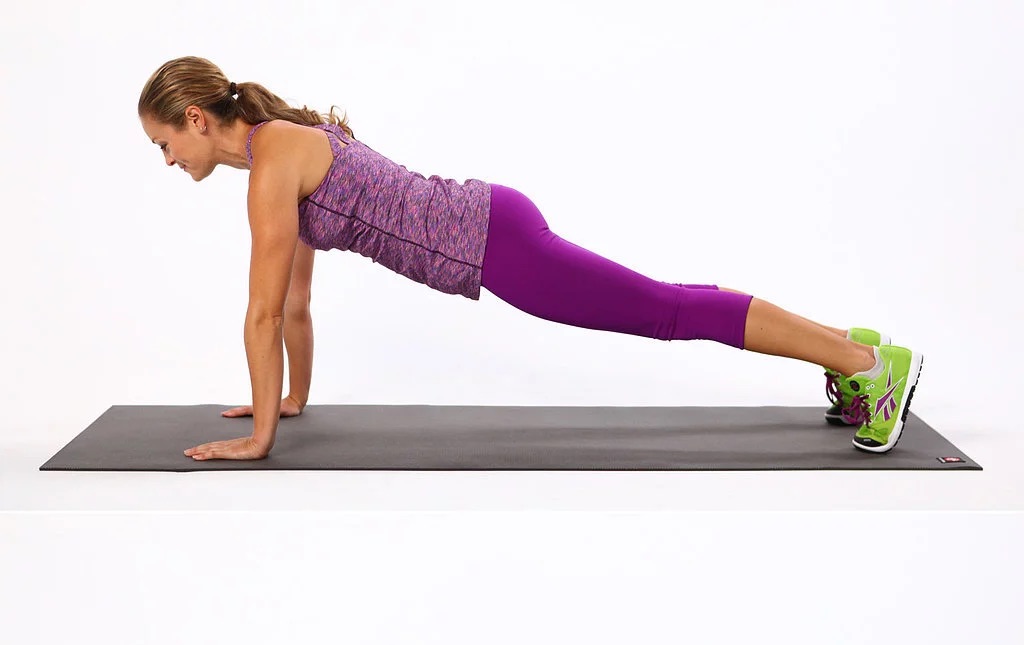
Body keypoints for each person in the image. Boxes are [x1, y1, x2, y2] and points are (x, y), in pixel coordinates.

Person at [137, 57, 923, 463]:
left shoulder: (275, 161)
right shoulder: (278, 155)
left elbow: (264, 311)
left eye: (164, 144)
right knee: (667, 302)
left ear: (197, 120)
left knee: (668, 311)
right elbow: (296, 304)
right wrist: (290, 403)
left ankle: (863, 361)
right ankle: (858, 352)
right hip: (494, 227)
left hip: (495, 245)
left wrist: (260, 438)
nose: (167, 161)